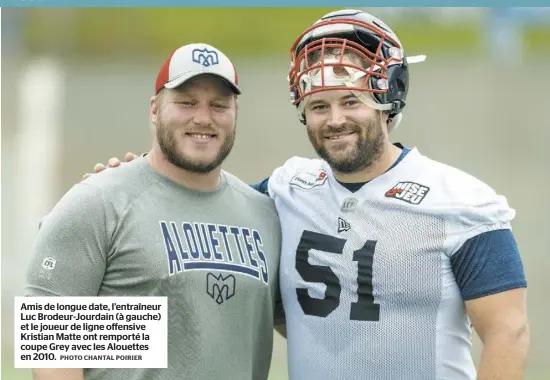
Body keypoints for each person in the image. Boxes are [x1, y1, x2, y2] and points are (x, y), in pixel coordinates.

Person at [87, 9, 530, 380]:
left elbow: (508, 331)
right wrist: (134, 185)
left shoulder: (458, 201)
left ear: (387, 100)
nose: (334, 119)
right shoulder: (286, 191)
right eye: (319, 106)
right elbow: (202, 207)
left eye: (351, 101)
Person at [24, 43, 283, 380]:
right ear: (154, 109)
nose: (203, 117)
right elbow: (53, 351)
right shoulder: (98, 202)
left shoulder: (264, 215)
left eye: (219, 105)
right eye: (186, 102)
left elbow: (304, 325)